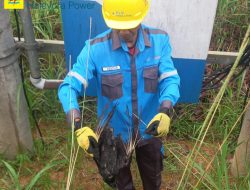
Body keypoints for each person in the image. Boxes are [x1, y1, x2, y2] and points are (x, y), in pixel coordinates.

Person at [58, 0, 180, 189]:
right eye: (118, 28)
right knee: (120, 184)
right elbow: (68, 87)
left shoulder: (159, 41)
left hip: (150, 130)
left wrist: (165, 109)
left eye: (130, 27)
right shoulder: (95, 48)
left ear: (140, 18)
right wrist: (77, 126)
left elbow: (170, 80)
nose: (124, 33)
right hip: (114, 137)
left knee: (153, 179)